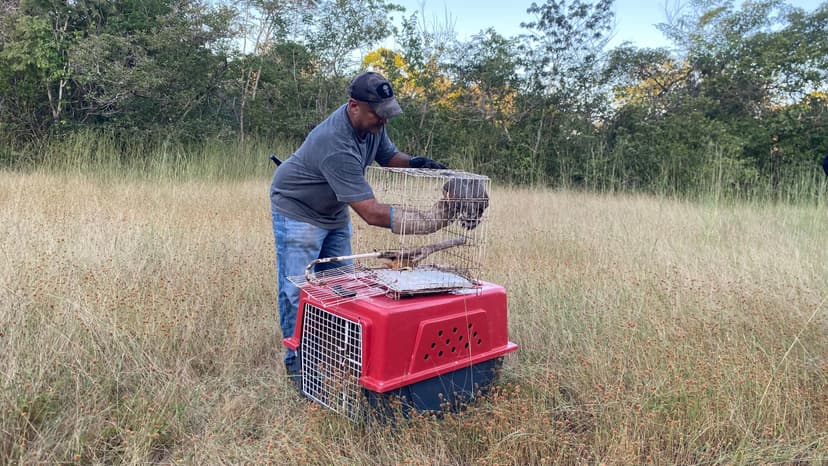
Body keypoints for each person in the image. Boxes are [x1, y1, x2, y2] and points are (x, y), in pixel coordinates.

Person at [269, 71, 450, 382]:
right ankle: (297, 362)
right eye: (378, 115)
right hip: (298, 210)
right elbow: (371, 213)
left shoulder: (371, 127)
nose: (383, 121)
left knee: (341, 286)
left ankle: (333, 351)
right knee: (298, 289)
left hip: (333, 211)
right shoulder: (335, 143)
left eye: (385, 114)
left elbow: (388, 156)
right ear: (354, 106)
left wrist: (419, 163)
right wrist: (431, 220)